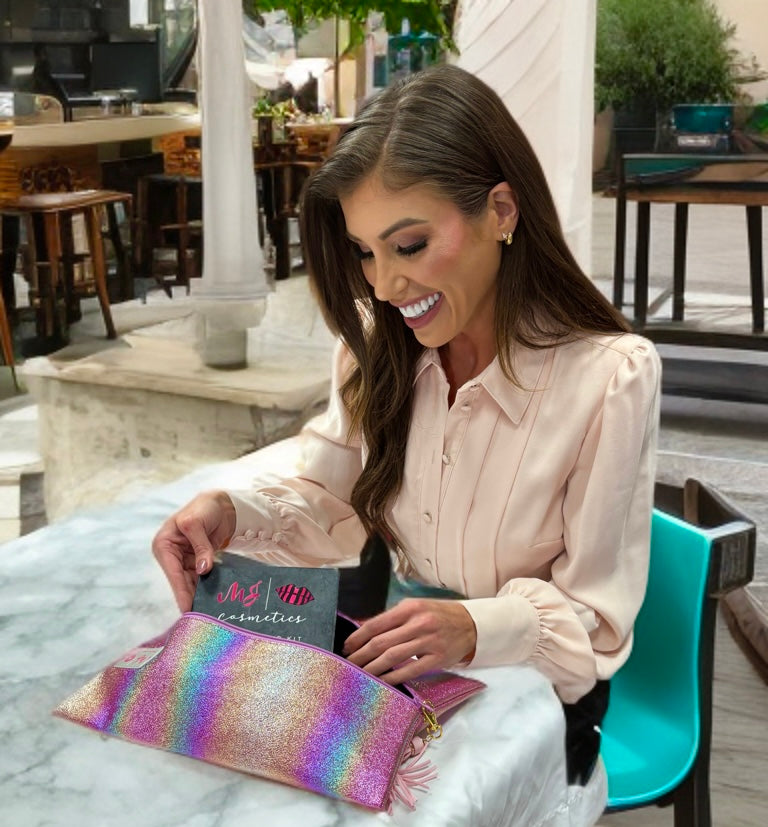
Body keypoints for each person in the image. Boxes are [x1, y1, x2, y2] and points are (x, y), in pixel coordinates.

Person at [152, 64, 660, 792]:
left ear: (503, 210)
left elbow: (596, 622)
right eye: (365, 251)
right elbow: (331, 501)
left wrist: (475, 627)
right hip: (403, 676)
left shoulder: (611, 377)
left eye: (410, 244)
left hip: (541, 703)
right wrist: (229, 512)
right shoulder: (377, 342)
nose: (385, 286)